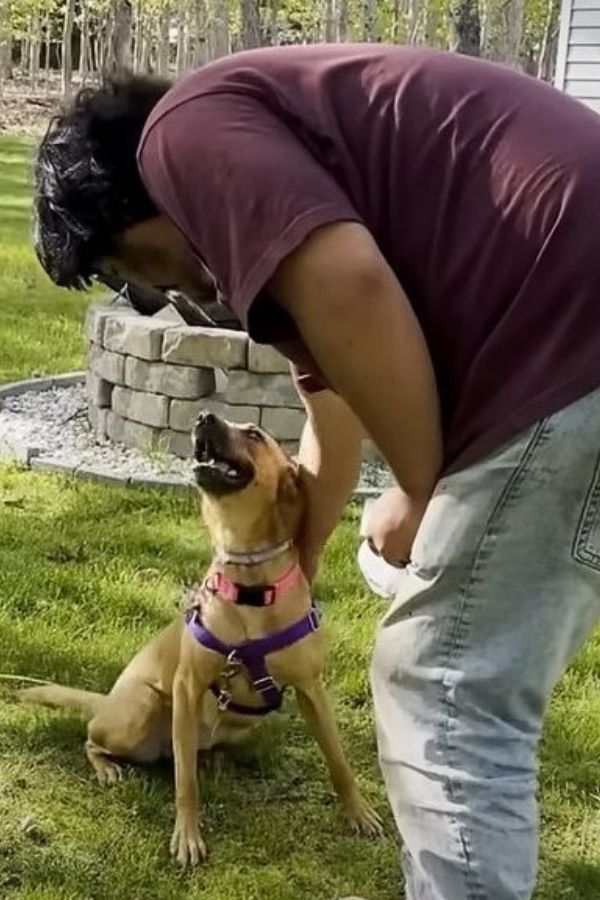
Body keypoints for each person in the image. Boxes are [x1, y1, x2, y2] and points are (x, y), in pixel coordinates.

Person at [33, 43, 600, 900]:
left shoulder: (181, 135)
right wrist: (288, 572)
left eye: (131, 274)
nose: (166, 293)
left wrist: (419, 489)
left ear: (129, 200)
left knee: (444, 685)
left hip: (565, 325)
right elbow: (331, 423)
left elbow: (354, 289)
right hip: (572, 319)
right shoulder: (289, 168)